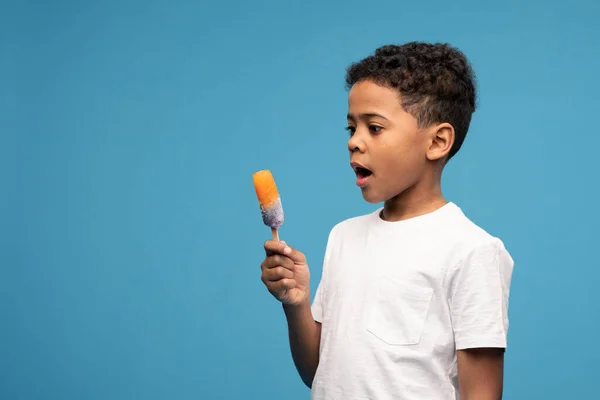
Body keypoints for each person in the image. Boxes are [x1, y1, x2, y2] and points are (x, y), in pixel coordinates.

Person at [260, 41, 514, 399]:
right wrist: (296, 303)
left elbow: (482, 393)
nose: (354, 142)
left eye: (374, 128)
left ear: (438, 141)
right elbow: (317, 371)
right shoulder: (343, 236)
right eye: (352, 129)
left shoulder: (472, 251)